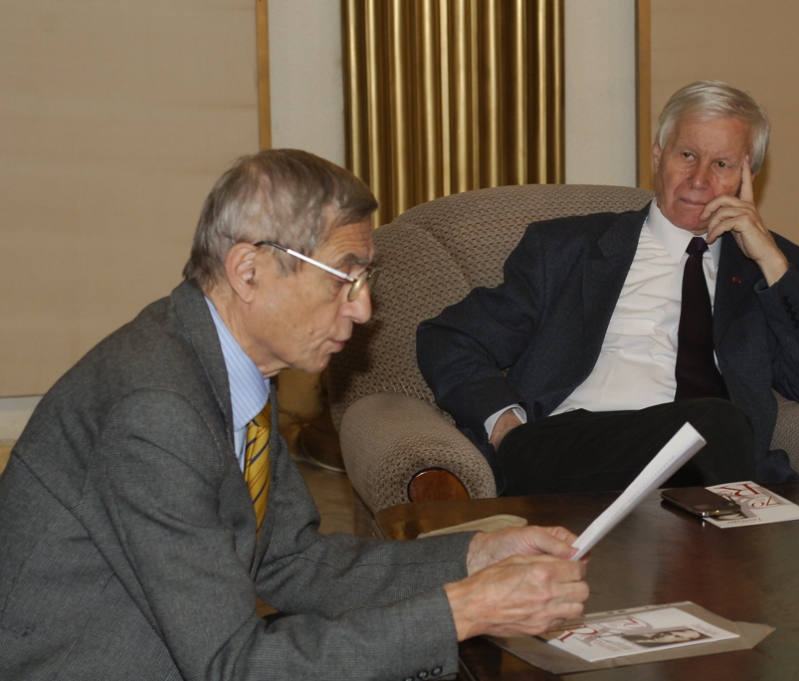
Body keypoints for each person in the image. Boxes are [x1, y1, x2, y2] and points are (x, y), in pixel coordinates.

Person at [0, 150, 588, 680]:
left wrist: (474, 556)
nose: (363, 308)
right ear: (248, 271)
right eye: (344, 277)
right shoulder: (155, 410)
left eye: (366, 278)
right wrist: (466, 610)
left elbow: (292, 560)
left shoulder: (229, 366)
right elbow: (234, 666)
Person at [418, 81, 799, 495]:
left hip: (704, 469)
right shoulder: (567, 249)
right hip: (569, 452)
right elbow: (450, 338)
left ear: (748, 178)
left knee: (714, 432)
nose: (699, 179)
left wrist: (773, 264)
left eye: (721, 165)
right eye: (687, 155)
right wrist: (506, 426)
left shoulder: (768, 269)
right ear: (658, 155)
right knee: (714, 424)